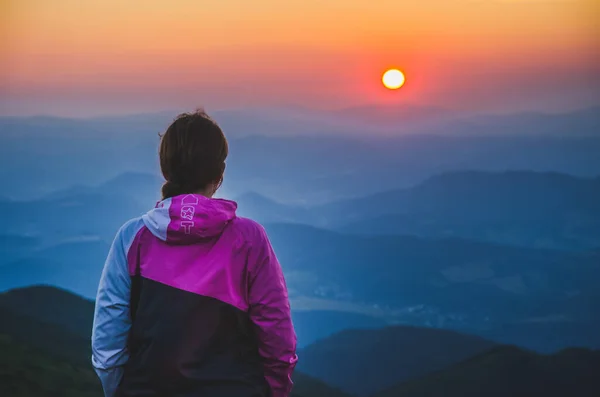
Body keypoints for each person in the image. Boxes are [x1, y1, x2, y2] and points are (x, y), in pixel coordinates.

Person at [91, 110, 298, 397]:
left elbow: (108, 344)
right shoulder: (250, 240)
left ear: (165, 169)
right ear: (219, 174)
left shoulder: (132, 238)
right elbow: (277, 336)